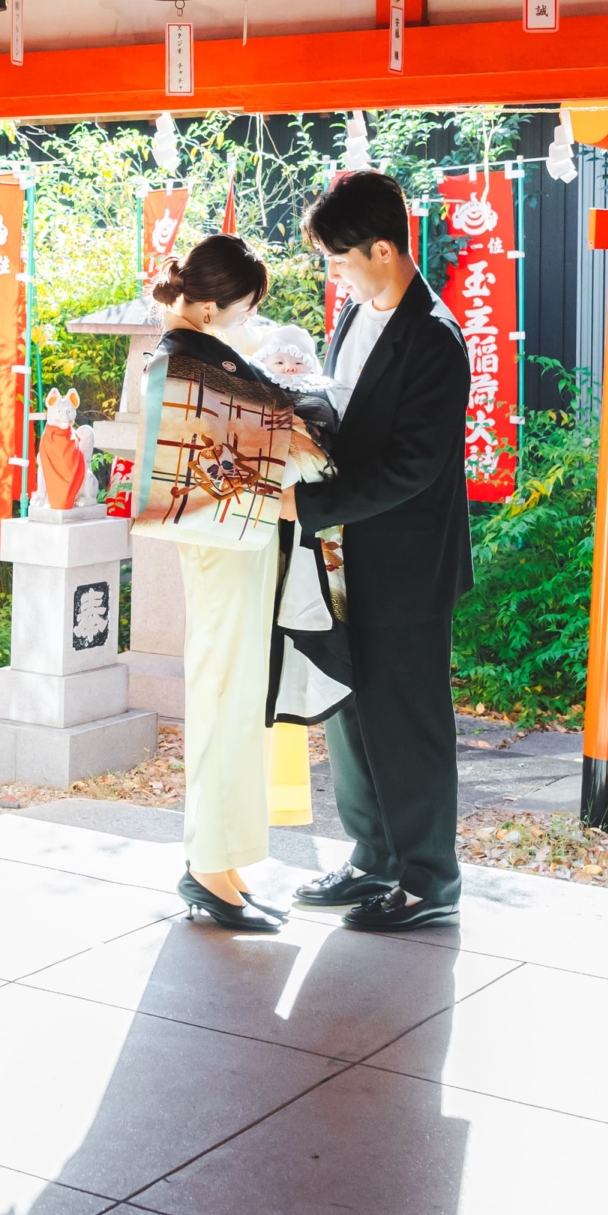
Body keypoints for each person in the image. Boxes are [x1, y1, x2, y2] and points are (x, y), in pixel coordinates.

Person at [281, 169, 472, 934]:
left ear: (385, 248)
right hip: (344, 553)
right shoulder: (360, 314)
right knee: (349, 706)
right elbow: (352, 412)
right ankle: (372, 859)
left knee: (407, 716)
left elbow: (413, 465)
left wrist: (311, 502)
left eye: (339, 258)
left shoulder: (435, 338)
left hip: (405, 560)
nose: (334, 273)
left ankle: (430, 880)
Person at [150, 233, 328, 933]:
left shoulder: (198, 350)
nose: (249, 318)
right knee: (224, 694)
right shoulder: (186, 357)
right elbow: (221, 455)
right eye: (247, 305)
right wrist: (293, 440)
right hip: (224, 544)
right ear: (217, 300)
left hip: (235, 541)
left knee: (233, 694)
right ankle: (207, 868)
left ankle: (222, 863)